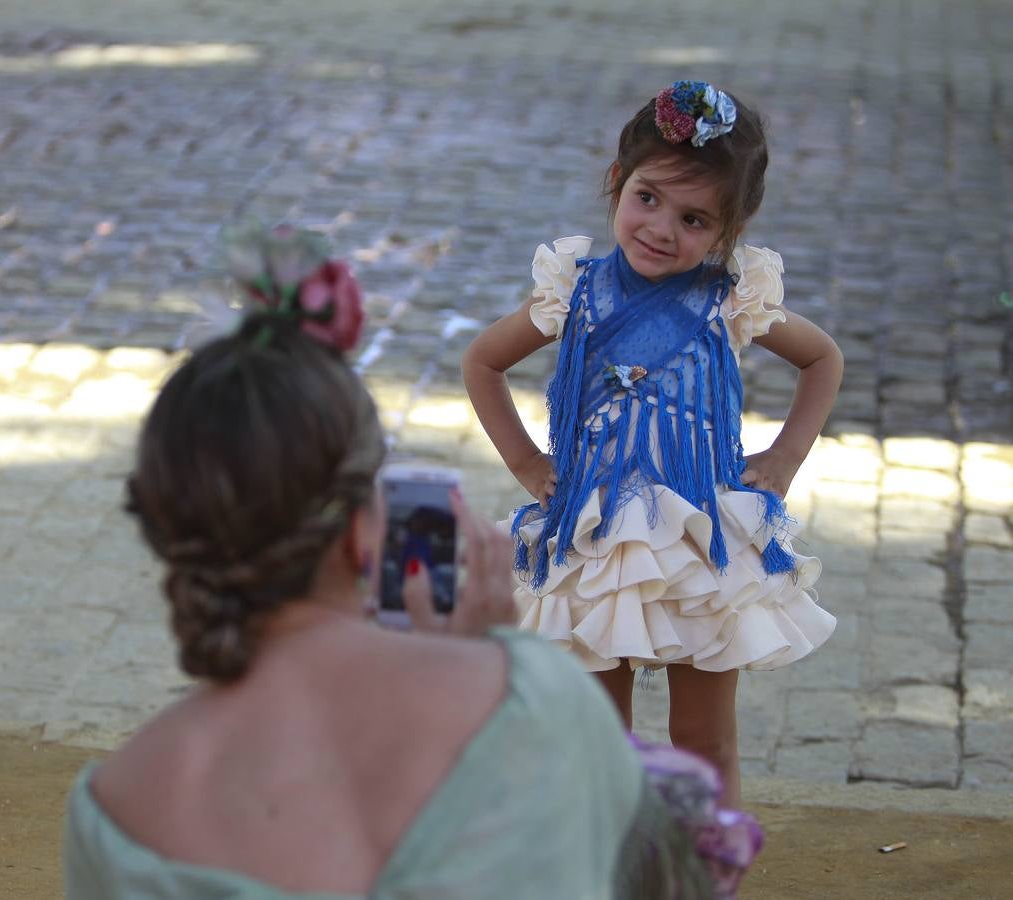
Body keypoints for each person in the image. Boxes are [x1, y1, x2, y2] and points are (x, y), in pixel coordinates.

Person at [64, 223, 761, 899]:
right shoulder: (520, 699)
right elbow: (657, 870)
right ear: (362, 525)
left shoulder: (116, 800)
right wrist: (492, 660)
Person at [462, 80, 843, 807]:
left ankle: (707, 869)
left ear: (728, 233)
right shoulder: (569, 293)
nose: (663, 229)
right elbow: (482, 360)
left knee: (705, 742)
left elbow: (822, 359)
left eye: (694, 218)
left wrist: (785, 459)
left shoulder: (731, 295)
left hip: (703, 549)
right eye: (647, 198)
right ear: (616, 183)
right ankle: (606, 867)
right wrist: (525, 462)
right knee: (596, 736)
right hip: (591, 544)